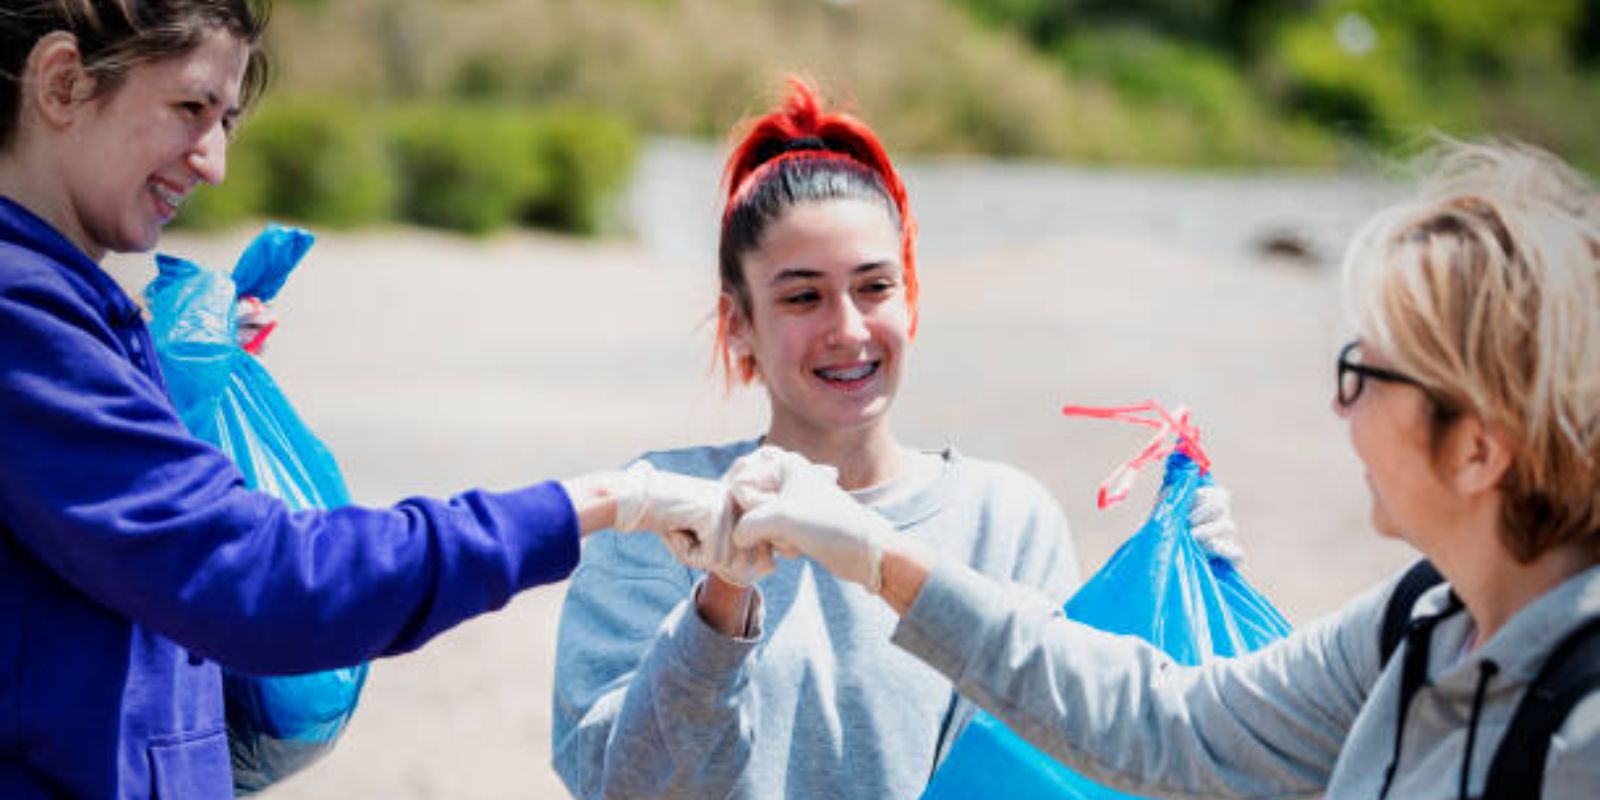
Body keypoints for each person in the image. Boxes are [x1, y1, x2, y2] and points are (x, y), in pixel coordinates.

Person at [0, 3, 729, 796]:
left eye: (227, 124)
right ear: (65, 84)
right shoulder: (21, 318)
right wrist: (601, 502)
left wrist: (161, 400)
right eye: (190, 109)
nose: (212, 162)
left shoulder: (72, 308)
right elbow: (265, 580)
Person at [730, 141, 1600, 798]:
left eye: (1366, 375)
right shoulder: (1419, 624)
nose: (1342, 406)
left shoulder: (1581, 729)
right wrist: (878, 555)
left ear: (1481, 447)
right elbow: (1169, 722)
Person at [550, 79, 1238, 799]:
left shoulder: (1008, 520)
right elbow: (620, 785)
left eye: (874, 287)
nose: (848, 329)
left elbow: (1073, 754)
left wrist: (1182, 589)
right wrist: (722, 595)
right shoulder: (660, 513)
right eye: (802, 296)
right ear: (738, 323)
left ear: (911, 294)